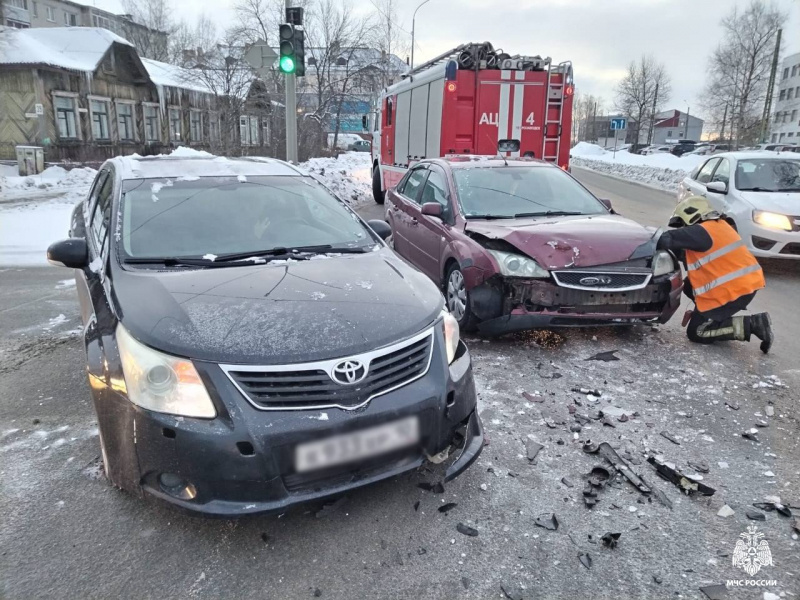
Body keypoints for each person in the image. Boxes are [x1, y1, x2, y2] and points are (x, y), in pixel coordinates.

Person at [657, 196, 773, 353]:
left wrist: (642, 238)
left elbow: (666, 239)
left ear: (690, 215)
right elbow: (682, 250)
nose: (683, 228)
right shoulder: (717, 227)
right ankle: (716, 319)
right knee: (689, 286)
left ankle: (754, 324)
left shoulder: (702, 231)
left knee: (697, 332)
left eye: (682, 223)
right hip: (745, 285)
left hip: (735, 290)